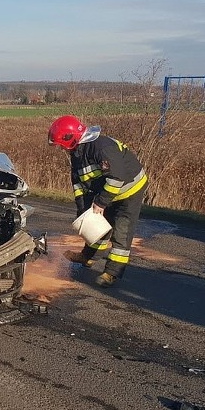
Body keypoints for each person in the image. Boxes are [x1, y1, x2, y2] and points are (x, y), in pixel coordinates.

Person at [48, 115, 148, 288]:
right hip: (108, 192)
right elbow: (79, 183)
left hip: (130, 190)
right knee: (97, 226)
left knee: (121, 233)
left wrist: (101, 203)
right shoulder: (78, 153)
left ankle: (112, 273)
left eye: (61, 145)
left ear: (70, 139)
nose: (61, 149)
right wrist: (83, 211)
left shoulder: (102, 147)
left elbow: (116, 178)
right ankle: (88, 257)